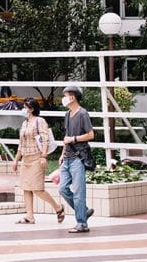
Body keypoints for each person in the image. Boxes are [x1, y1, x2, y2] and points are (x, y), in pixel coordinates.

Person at [12, 97, 64, 225]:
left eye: (25, 107)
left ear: (32, 109)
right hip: (26, 159)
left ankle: (58, 208)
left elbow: (45, 139)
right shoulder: (25, 123)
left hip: (36, 158)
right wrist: (16, 160)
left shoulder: (39, 121)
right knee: (26, 188)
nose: (23, 109)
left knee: (37, 189)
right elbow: (21, 143)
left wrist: (44, 156)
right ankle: (29, 216)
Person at [58, 85, 95, 234]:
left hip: (78, 158)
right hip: (67, 157)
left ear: (72, 97)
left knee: (79, 192)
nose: (64, 98)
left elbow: (91, 135)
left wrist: (74, 139)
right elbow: (66, 137)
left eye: (66, 95)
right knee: (62, 188)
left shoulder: (83, 114)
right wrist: (62, 154)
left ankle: (82, 223)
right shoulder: (68, 114)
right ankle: (83, 211)